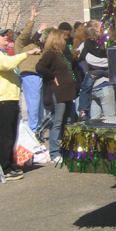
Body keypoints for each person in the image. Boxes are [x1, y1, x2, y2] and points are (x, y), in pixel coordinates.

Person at [0, 24, 41, 180]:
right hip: (3, 101)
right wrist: (26, 54)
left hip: (11, 100)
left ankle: (9, 164)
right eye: (1, 35)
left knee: (12, 135)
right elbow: (5, 65)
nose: (5, 36)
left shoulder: (3, 53)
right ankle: (5, 168)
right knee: (6, 136)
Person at [35, 29, 81, 165]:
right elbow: (40, 67)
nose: (65, 41)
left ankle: (65, 149)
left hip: (67, 92)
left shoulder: (60, 54)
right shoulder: (50, 54)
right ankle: (54, 152)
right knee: (57, 122)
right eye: (63, 39)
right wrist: (51, 77)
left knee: (67, 121)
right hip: (58, 93)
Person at [15, 6, 47, 135]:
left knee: (39, 104)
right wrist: (32, 18)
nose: (28, 33)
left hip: (38, 74)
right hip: (30, 74)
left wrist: (39, 30)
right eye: (25, 31)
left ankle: (38, 127)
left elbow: (34, 36)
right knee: (33, 102)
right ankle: (33, 129)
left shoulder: (32, 42)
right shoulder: (21, 43)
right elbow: (27, 34)